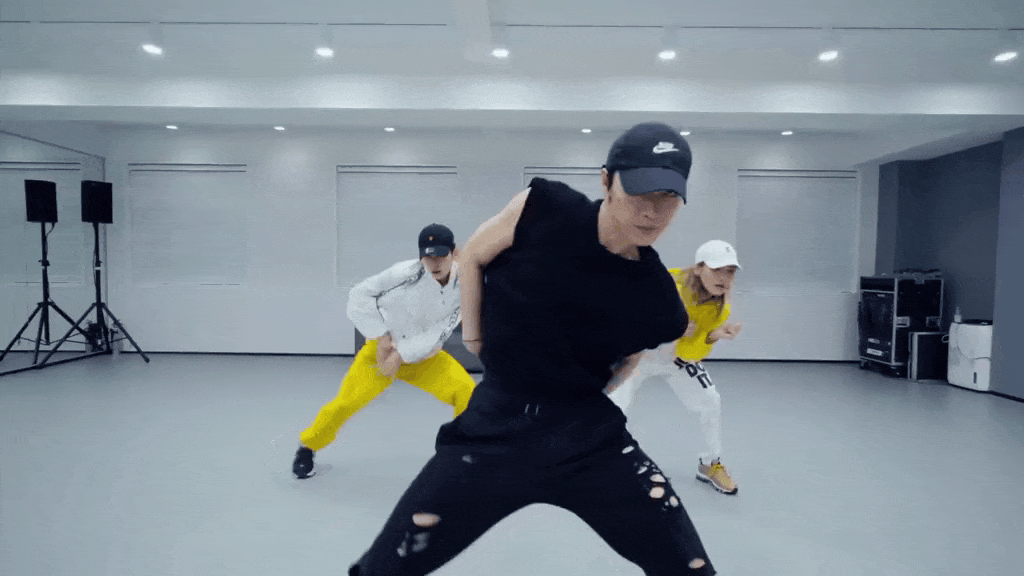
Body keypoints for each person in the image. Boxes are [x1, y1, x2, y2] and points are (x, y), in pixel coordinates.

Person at [347, 122, 716, 575]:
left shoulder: (659, 302)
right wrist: (476, 339)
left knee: (690, 567)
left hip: (589, 440)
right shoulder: (544, 208)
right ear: (606, 181)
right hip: (492, 429)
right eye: (639, 191)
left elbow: (629, 359)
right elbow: (474, 255)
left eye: (668, 197)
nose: (652, 211)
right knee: (383, 568)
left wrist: (574, 390)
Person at [292, 224, 476, 479]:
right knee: (347, 402)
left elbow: (439, 331)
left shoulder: (464, 286)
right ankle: (308, 447)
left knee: (467, 392)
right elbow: (360, 294)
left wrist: (399, 355)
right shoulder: (405, 272)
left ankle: (460, 452)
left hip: (425, 357)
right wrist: (382, 339)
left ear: (453, 253)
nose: (434, 263)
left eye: (440, 256)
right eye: (428, 257)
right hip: (380, 352)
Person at [607, 240, 743, 495]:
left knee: (710, 400)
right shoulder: (665, 284)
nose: (724, 278)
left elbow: (691, 354)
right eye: (717, 270)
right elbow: (626, 316)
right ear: (699, 268)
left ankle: (710, 464)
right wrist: (667, 326)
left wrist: (712, 336)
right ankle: (610, 465)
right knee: (613, 406)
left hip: (675, 359)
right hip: (639, 354)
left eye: (730, 272)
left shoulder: (721, 307)